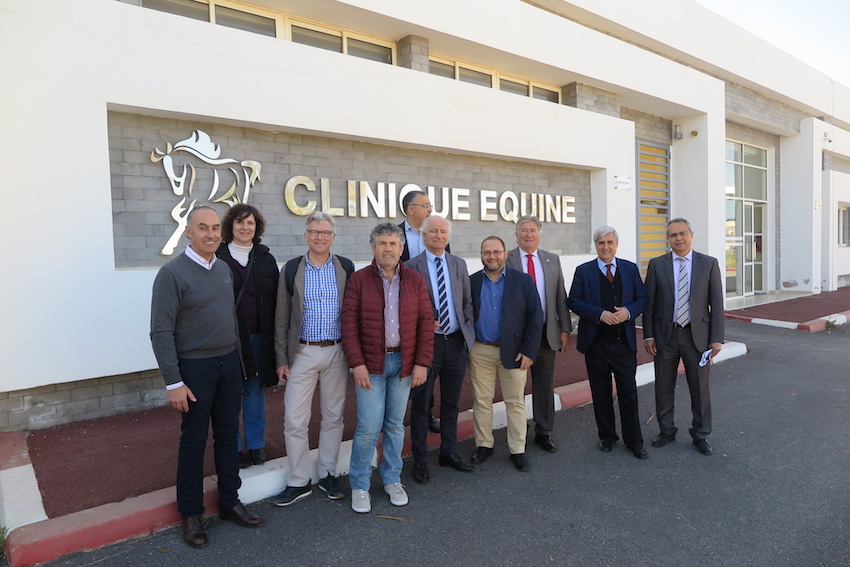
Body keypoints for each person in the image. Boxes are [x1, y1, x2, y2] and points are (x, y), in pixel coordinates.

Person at [150, 205, 263, 549]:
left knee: (228, 435)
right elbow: (160, 331)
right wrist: (173, 381)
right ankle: (191, 513)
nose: (211, 234)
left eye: (215, 228)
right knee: (194, 440)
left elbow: (230, 320)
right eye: (203, 228)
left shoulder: (224, 270)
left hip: (228, 364)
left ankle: (229, 501)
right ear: (189, 232)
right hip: (194, 370)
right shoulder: (171, 274)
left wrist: (239, 364)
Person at [342, 222, 434, 513]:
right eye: (382, 243)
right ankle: (359, 485)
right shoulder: (358, 280)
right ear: (373, 247)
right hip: (371, 364)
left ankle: (392, 478)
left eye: (393, 244)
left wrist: (421, 362)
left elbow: (424, 325)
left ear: (401, 248)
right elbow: (349, 325)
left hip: (404, 364)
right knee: (368, 426)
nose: (388, 249)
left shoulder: (415, 280)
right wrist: (356, 363)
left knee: (395, 425)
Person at [272, 212, 353, 506]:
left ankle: (328, 473)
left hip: (337, 352)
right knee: (295, 419)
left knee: (333, 417)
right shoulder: (292, 269)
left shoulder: (345, 267)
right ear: (305, 235)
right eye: (314, 232)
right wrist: (282, 358)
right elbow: (281, 317)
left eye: (326, 232)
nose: (320, 237)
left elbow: (353, 313)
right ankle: (299, 480)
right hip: (302, 352)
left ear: (333, 236)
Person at [644, 218, 724, 456]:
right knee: (663, 387)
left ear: (691, 234)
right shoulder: (657, 264)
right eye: (673, 235)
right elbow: (649, 305)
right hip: (665, 337)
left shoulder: (708, 264)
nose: (678, 238)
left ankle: (700, 434)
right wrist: (648, 336)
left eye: (682, 233)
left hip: (696, 337)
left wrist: (717, 338)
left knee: (700, 389)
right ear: (667, 239)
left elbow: (716, 305)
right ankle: (666, 430)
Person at [405, 216, 475, 484]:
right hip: (427, 345)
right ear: (423, 235)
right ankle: (420, 459)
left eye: (443, 231)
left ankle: (448, 452)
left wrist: (467, 332)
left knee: (451, 403)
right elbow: (406, 308)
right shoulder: (411, 267)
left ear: (448, 236)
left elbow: (467, 302)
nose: (438, 235)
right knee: (421, 405)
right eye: (432, 231)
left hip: (455, 343)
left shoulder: (458, 264)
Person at [568, 226, 649, 459]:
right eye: (601, 243)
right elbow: (573, 300)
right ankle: (607, 437)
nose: (606, 247)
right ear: (596, 245)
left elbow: (642, 298)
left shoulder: (630, 269)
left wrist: (629, 311)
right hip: (596, 344)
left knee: (629, 393)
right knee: (600, 392)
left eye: (610, 242)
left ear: (616, 244)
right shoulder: (583, 271)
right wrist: (599, 314)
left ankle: (634, 440)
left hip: (623, 344)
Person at [468, 236, 543, 472]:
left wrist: (529, 351)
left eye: (496, 252)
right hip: (481, 350)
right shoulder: (471, 282)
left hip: (515, 351)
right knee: (481, 401)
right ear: (481, 255)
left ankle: (517, 449)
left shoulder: (523, 281)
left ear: (505, 254)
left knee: (515, 402)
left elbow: (535, 317)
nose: (492, 256)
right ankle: (484, 445)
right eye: (487, 252)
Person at [215, 204, 279, 469]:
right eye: (240, 222)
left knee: (254, 393)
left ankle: (255, 445)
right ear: (231, 226)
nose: (245, 227)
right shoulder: (217, 257)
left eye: (250, 223)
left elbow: (277, 300)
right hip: (227, 340)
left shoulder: (265, 258)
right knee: (230, 395)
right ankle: (235, 448)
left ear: (257, 227)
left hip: (257, 338)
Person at [506, 216, 572, 453]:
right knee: (517, 386)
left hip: (546, 333)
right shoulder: (507, 259)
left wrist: (565, 329)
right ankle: (517, 433)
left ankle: (544, 431)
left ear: (539, 233)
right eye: (523, 231)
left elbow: (560, 298)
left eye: (532, 230)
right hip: (517, 336)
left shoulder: (551, 260)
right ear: (517, 235)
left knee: (544, 384)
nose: (528, 234)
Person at [398, 190, 447, 434]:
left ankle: (426, 413)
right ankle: (398, 415)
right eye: (425, 205)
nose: (430, 209)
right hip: (404, 310)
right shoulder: (395, 234)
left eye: (430, 205)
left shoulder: (437, 233)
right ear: (410, 210)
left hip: (434, 313)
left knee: (427, 366)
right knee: (403, 366)